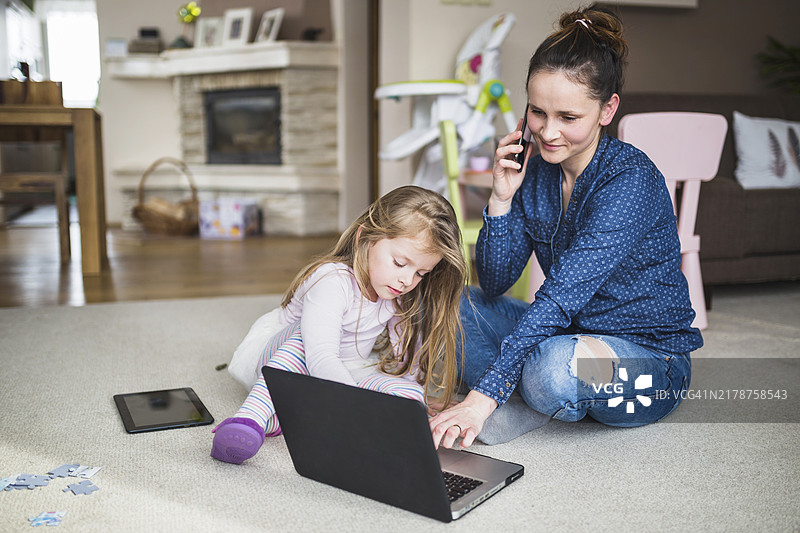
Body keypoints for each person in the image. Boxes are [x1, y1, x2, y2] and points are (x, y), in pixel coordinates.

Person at [429, 3, 703, 449]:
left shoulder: (629, 181)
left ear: (607, 109)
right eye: (538, 112)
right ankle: (520, 398)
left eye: (568, 118)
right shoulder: (534, 171)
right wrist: (501, 199)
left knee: (554, 369)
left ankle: (509, 396)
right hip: (565, 332)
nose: (548, 132)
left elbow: (558, 299)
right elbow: (498, 282)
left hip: (650, 360)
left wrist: (482, 395)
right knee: (450, 303)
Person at [212, 185, 467, 464]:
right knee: (302, 341)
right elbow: (320, 357)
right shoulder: (332, 280)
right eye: (399, 262)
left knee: (408, 395)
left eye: (421, 272)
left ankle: (282, 421)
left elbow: (406, 362)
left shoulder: (396, 293)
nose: (407, 280)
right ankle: (250, 418)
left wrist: (418, 399)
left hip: (338, 375)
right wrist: (357, 407)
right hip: (280, 364)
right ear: (365, 238)